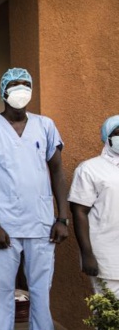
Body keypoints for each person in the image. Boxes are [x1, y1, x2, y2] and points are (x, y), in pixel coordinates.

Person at [0, 68, 69, 330]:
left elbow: (58, 172)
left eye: (26, 84)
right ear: (3, 91)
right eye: (14, 84)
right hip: (5, 228)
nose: (21, 90)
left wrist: (62, 218)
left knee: (41, 294)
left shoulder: (45, 125)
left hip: (42, 226)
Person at [69, 115, 119, 297]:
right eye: (117, 132)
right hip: (105, 255)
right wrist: (87, 254)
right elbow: (79, 212)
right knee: (108, 314)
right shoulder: (90, 169)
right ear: (107, 137)